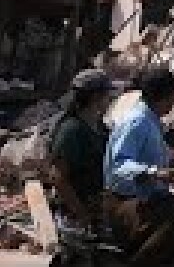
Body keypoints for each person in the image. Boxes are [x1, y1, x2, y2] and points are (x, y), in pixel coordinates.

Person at [104, 66, 174, 266]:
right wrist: (156, 172)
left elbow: (153, 149)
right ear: (163, 97)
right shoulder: (136, 122)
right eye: (173, 95)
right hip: (126, 202)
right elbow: (119, 165)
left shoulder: (150, 121)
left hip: (146, 197)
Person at [48, 68, 114, 228]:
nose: (111, 99)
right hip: (75, 213)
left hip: (98, 206)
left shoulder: (99, 126)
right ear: (95, 97)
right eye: (107, 95)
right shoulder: (71, 131)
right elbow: (59, 177)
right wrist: (82, 214)